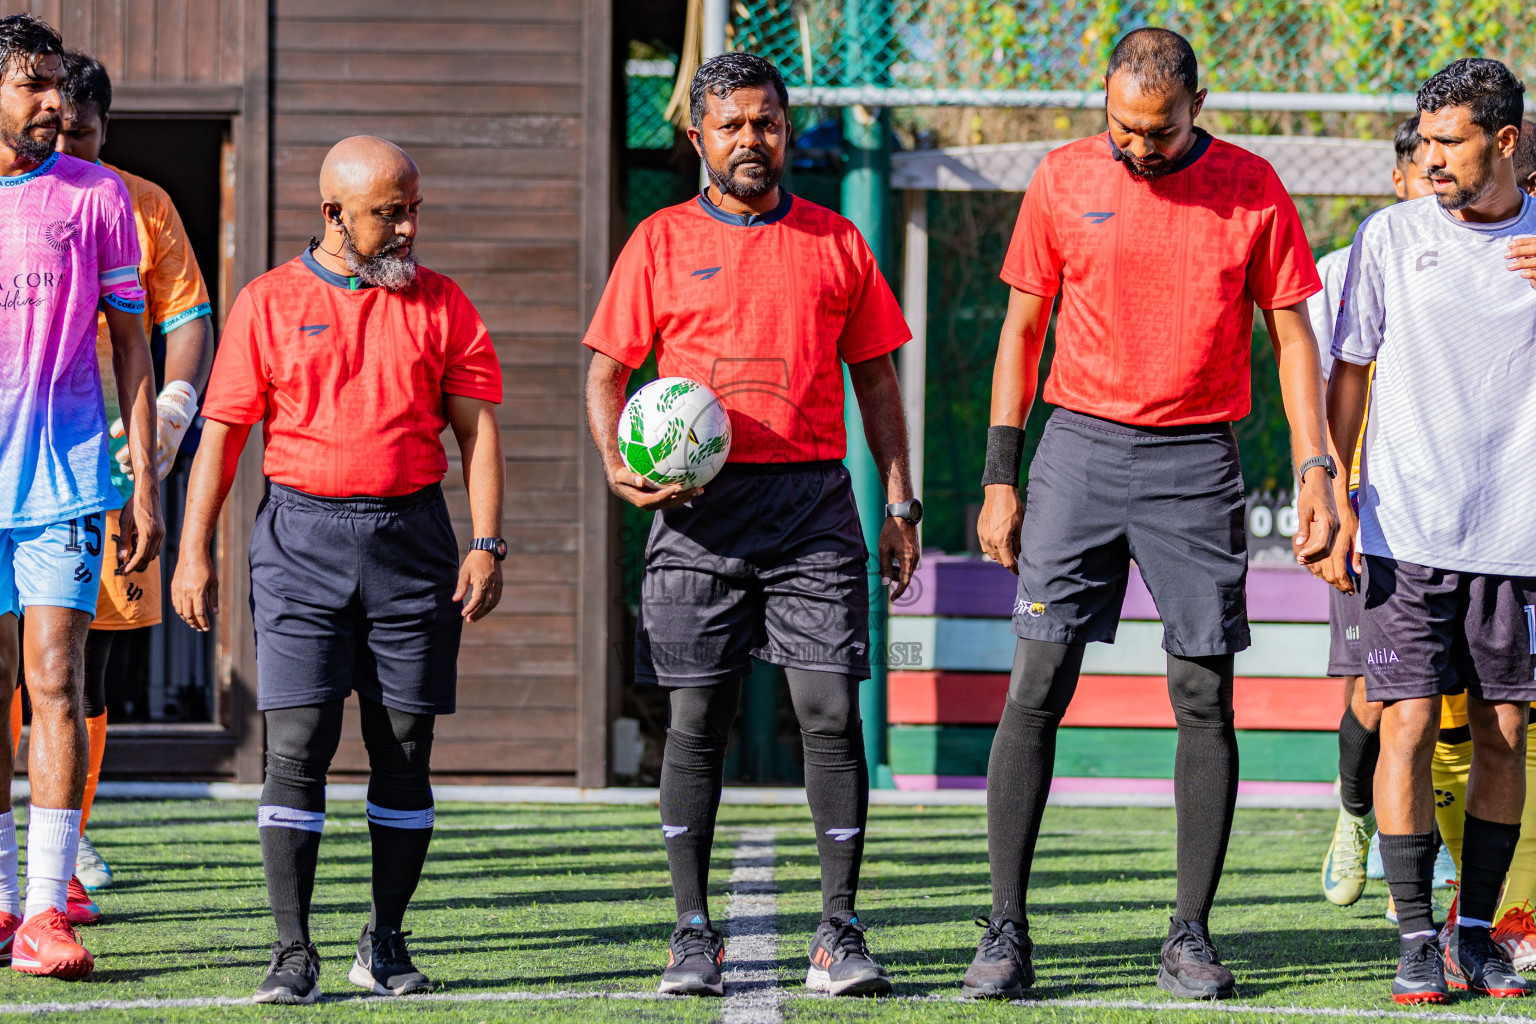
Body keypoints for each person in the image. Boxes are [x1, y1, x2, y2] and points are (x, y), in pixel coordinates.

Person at [965, 27, 1337, 1002]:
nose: (1138, 146)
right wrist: (1001, 476)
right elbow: (1021, 330)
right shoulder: (1061, 177)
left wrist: (1315, 465)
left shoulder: (1252, 188)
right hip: (1077, 452)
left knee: (1204, 695)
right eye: (1123, 128)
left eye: (1159, 131)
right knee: (1036, 684)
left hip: (1196, 462)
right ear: (1106, 101)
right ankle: (1004, 930)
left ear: (1196, 107)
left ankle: (1189, 935)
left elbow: (1293, 337)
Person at [583, 52, 918, 999]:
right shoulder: (657, 240)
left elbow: (877, 379)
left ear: (786, 129)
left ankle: (838, 932)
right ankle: (692, 935)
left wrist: (899, 503)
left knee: (830, 714)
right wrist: (616, 462)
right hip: (697, 511)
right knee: (696, 722)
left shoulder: (837, 241)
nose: (750, 140)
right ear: (698, 136)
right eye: (730, 125)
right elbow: (606, 371)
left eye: (765, 122)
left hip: (813, 506)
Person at [171, 136, 505, 1004]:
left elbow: (477, 432)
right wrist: (192, 549)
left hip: (413, 543)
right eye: (389, 213)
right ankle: (293, 952)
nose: (408, 228)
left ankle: (383, 942)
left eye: (413, 209)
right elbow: (222, 438)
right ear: (333, 215)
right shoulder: (267, 302)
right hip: (300, 543)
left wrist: (487, 541)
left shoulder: (444, 303)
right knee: (297, 747)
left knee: (404, 748)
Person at [1323, 57, 1536, 1004]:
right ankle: (1415, 937)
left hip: (1517, 534)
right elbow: (1350, 370)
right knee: (1406, 722)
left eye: (1452, 141)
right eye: (1427, 140)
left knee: (1503, 732)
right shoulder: (1390, 234)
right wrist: (1333, 489)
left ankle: (1476, 934)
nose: (1433, 158)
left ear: (1506, 141)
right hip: (1404, 528)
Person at [29, 48, 213, 912]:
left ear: (104, 127)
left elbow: (184, 320)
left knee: (81, 660)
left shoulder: (140, 203)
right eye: (52, 128)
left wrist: (173, 407)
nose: (63, 145)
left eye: (80, 132)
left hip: (103, 455)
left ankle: (67, 837)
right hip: (16, 451)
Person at [0, 14, 163, 979]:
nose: (55, 103)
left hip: (64, 480)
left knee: (54, 682)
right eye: (33, 84)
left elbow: (134, 343)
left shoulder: (100, 195)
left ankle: (45, 913)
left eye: (59, 85)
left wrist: (145, 483)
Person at [1317, 115, 1433, 909]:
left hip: (1460, 516)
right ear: (1399, 181)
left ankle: (1426, 866)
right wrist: (1332, 498)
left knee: (1455, 704)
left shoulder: (1499, 253)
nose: (1442, 185)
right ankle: (1355, 811)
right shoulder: (1342, 269)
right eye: (1427, 171)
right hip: (1370, 509)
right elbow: (1324, 390)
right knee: (1378, 691)